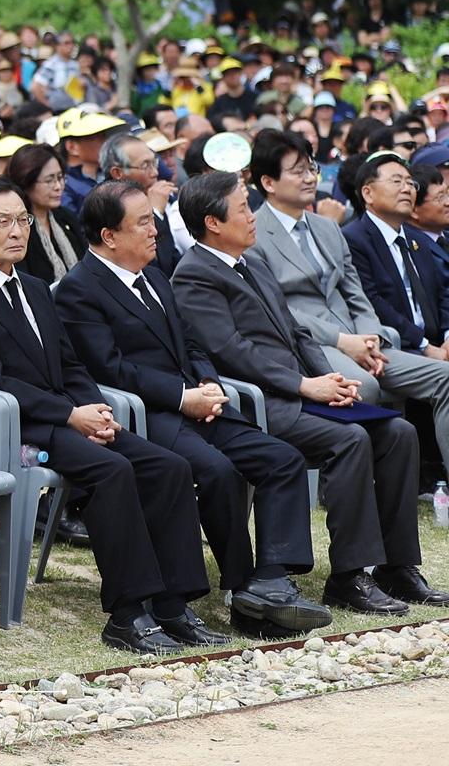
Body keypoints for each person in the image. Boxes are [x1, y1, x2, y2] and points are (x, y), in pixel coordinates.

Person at [0, 178, 214, 653]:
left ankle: (173, 605)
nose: (17, 230)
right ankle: (127, 613)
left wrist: (93, 408)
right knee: (112, 470)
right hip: (7, 426)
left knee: (170, 466)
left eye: (22, 219)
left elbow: (71, 364)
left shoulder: (38, 288)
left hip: (65, 416)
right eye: (2, 222)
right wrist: (69, 414)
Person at [55, 181, 332, 638]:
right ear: (109, 236)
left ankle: (271, 581)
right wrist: (181, 396)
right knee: (217, 471)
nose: (155, 228)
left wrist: (208, 384)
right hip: (150, 413)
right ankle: (241, 589)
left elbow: (191, 342)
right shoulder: (80, 289)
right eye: (143, 221)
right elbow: (110, 369)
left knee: (281, 458)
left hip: (198, 404)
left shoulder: (155, 275)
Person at [170, 171, 449, 615]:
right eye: (243, 207)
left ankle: (397, 567)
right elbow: (230, 351)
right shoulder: (194, 275)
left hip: (302, 391)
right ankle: (348, 576)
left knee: (398, 433)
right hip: (261, 403)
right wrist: (304, 385)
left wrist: (331, 382)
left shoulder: (252, 263)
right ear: (213, 222)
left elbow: (297, 333)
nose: (252, 214)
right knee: (349, 440)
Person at [339, 149, 449, 460]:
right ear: (368, 192)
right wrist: (427, 345)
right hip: (391, 344)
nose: (407, 188)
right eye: (396, 181)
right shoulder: (355, 238)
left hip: (432, 343)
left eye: (410, 183)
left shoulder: (414, 238)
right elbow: (371, 301)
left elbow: (443, 291)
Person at [99, 130, 181, 275]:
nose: (155, 172)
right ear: (117, 173)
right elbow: (144, 266)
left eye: (154, 163)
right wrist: (155, 213)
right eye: (145, 166)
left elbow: (172, 259)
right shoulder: (103, 207)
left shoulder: (151, 196)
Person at [9, 144, 83, 283]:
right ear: (26, 182)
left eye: (60, 177)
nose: (58, 186)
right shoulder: (16, 228)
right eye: (49, 180)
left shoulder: (67, 218)